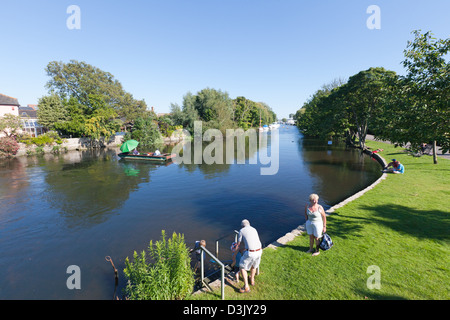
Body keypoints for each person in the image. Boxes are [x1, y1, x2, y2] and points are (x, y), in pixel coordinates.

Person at [236, 219, 262, 293]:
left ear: (242, 226)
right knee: (254, 265)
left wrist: (236, 250)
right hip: (259, 250)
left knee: (242, 266)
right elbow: (252, 241)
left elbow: (239, 243)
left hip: (251, 253)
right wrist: (245, 249)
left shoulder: (241, 230)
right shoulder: (254, 229)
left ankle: (246, 286)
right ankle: (252, 279)